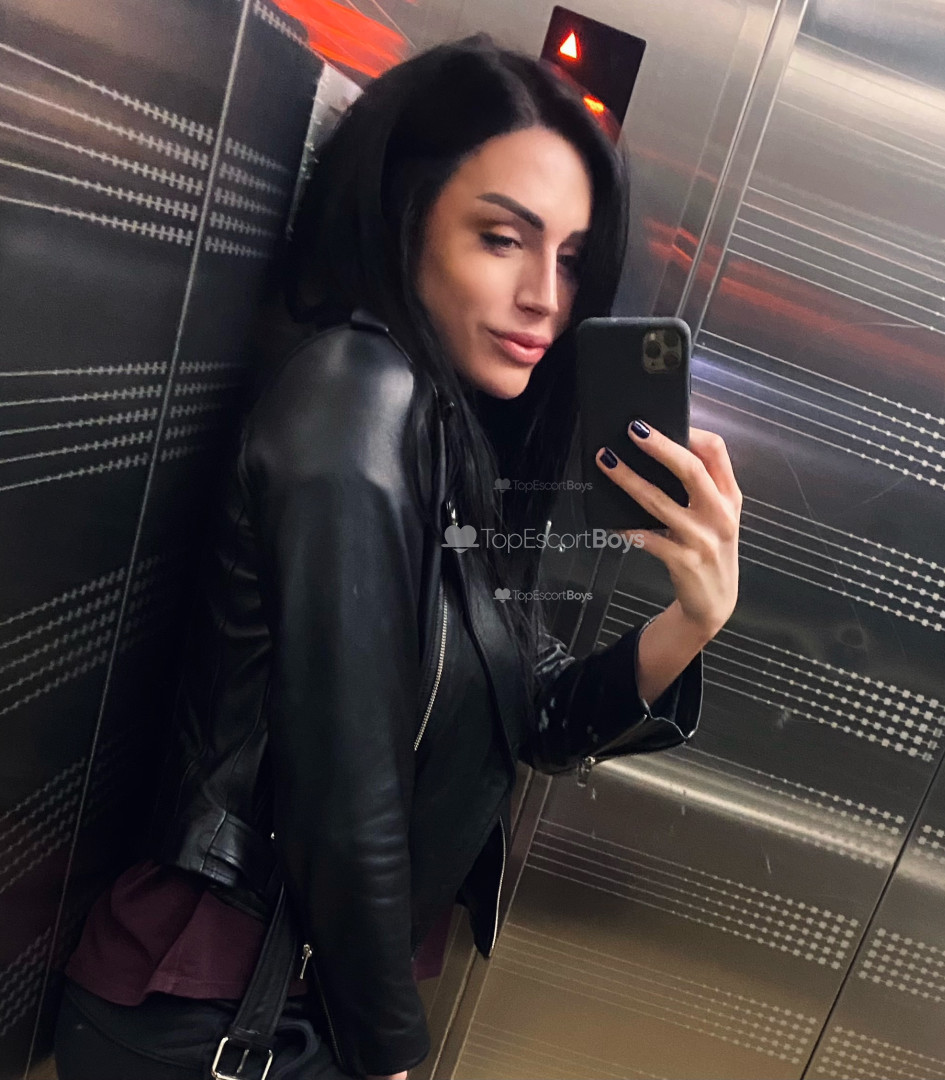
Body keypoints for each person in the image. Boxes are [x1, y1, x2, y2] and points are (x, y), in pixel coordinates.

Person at [53, 33, 741, 1080]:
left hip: (294, 1005)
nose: (546, 297)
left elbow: (538, 716)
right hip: (221, 1011)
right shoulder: (359, 396)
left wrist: (693, 619)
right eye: (503, 239)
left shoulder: (447, 437)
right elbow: (344, 780)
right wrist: (390, 1056)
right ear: (406, 218)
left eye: (569, 258)